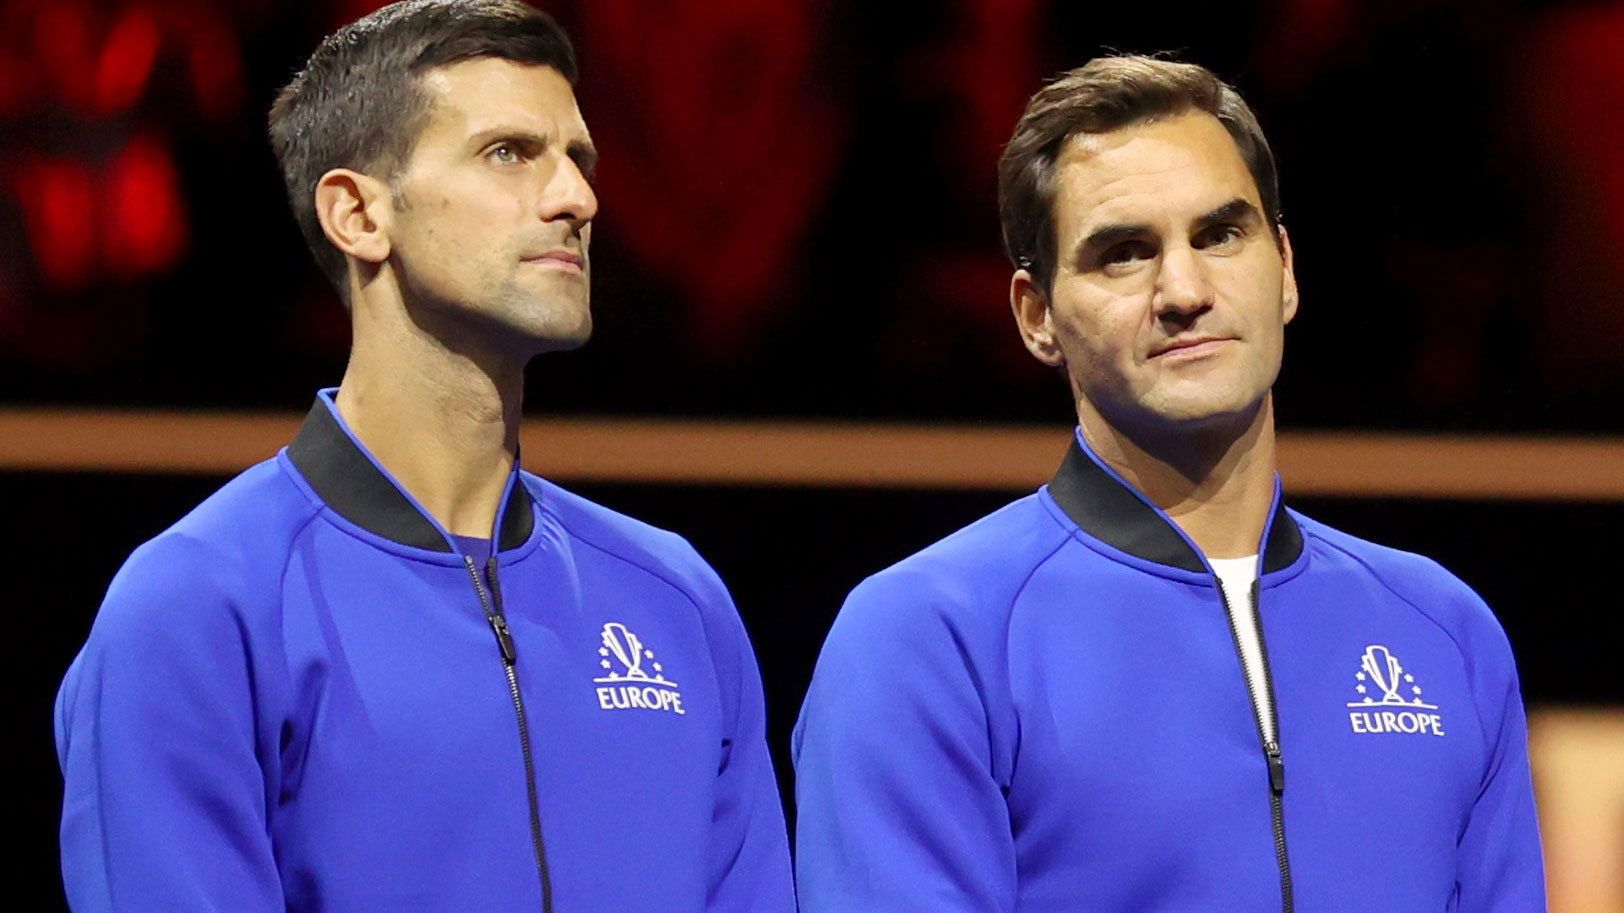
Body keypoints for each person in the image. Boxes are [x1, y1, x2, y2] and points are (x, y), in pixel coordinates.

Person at [53, 2, 794, 911]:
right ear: (358, 214)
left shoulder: (678, 600)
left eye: (579, 159)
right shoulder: (201, 605)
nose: (578, 198)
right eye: (509, 153)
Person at [792, 55, 1544, 912]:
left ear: (1286, 267)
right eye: (1124, 253)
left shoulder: (1445, 632)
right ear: (1037, 316)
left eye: (1221, 235)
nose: (1184, 290)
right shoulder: (927, 637)